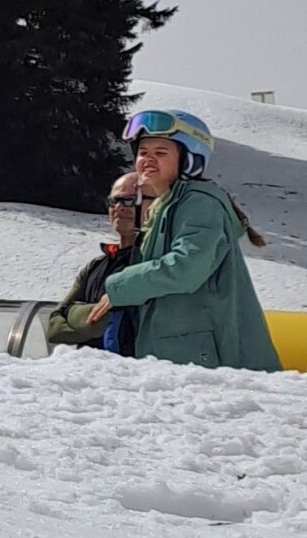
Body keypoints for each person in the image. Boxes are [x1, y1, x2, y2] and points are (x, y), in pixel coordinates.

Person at [90, 111, 280, 372]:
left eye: (161, 152)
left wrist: (121, 286)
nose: (148, 160)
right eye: (143, 152)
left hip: (213, 365)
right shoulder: (165, 207)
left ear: (189, 160)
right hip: (180, 356)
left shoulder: (199, 203)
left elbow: (186, 268)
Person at [46, 172, 145, 352]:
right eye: (113, 201)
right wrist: (103, 318)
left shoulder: (154, 264)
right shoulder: (95, 266)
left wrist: (74, 314)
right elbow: (53, 327)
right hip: (92, 373)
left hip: (136, 374)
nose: (119, 208)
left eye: (130, 200)